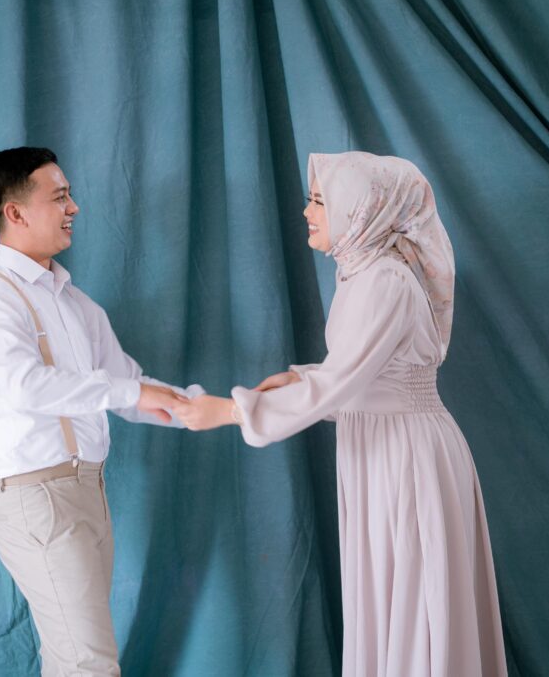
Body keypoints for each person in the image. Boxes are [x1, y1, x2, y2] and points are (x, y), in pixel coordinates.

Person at [173, 152, 507, 676]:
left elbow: (343, 382)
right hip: (381, 449)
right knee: (394, 598)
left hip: (405, 457)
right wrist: (303, 379)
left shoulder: (384, 280)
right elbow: (364, 374)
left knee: (413, 602)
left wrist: (234, 411)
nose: (308, 212)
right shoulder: (362, 273)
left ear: (360, 209)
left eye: (320, 201)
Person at [0, 147, 200, 676]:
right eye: (60, 197)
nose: (75, 208)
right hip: (35, 497)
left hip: (88, 490)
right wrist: (131, 394)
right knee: (88, 663)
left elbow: (128, 382)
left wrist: (206, 408)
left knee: (74, 658)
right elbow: (26, 388)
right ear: (15, 212)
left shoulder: (75, 302)